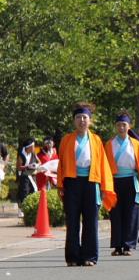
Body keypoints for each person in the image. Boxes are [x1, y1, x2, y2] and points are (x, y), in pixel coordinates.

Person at [57, 103, 116, 267]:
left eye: (84, 117)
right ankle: (73, 257)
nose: (81, 121)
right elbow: (61, 164)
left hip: (91, 182)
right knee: (73, 221)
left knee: (91, 221)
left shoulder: (96, 140)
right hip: (72, 183)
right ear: (73, 121)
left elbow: (103, 164)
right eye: (78, 117)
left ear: (90, 120)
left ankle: (89, 256)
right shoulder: (67, 140)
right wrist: (61, 185)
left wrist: (104, 187)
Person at [104, 112, 139, 256]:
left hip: (131, 179)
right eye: (119, 125)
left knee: (132, 213)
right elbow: (105, 165)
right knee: (116, 213)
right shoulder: (109, 144)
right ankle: (117, 245)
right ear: (115, 126)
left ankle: (128, 245)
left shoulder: (136, 144)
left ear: (129, 126)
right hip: (115, 180)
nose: (121, 128)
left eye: (124, 125)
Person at [16, 138, 39, 215]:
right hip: (24, 176)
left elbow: (39, 162)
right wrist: (28, 166)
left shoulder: (33, 153)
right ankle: (21, 210)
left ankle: (32, 209)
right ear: (29, 147)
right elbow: (19, 167)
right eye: (33, 146)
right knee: (24, 192)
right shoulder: (21, 155)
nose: (34, 147)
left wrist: (37, 165)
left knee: (33, 191)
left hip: (32, 176)